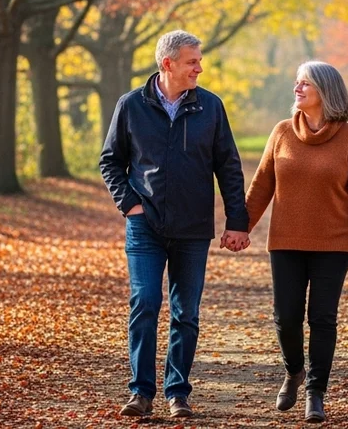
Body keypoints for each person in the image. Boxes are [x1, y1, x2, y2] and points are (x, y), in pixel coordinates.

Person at [100, 30, 251, 419]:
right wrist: (129, 205)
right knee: (145, 303)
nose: (199, 68)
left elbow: (229, 168)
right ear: (167, 64)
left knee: (186, 313)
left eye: (199, 61)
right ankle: (141, 392)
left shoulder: (210, 108)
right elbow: (110, 162)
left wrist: (237, 221)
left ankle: (177, 392)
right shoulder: (131, 105)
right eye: (192, 61)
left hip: (192, 229)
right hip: (144, 227)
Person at [243, 60, 348, 424]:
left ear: (325, 91)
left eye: (305, 84)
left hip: (333, 244)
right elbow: (261, 186)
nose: (297, 89)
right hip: (285, 241)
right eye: (296, 83)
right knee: (286, 317)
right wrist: (242, 226)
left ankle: (315, 393)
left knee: (322, 318)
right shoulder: (282, 132)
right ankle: (294, 371)